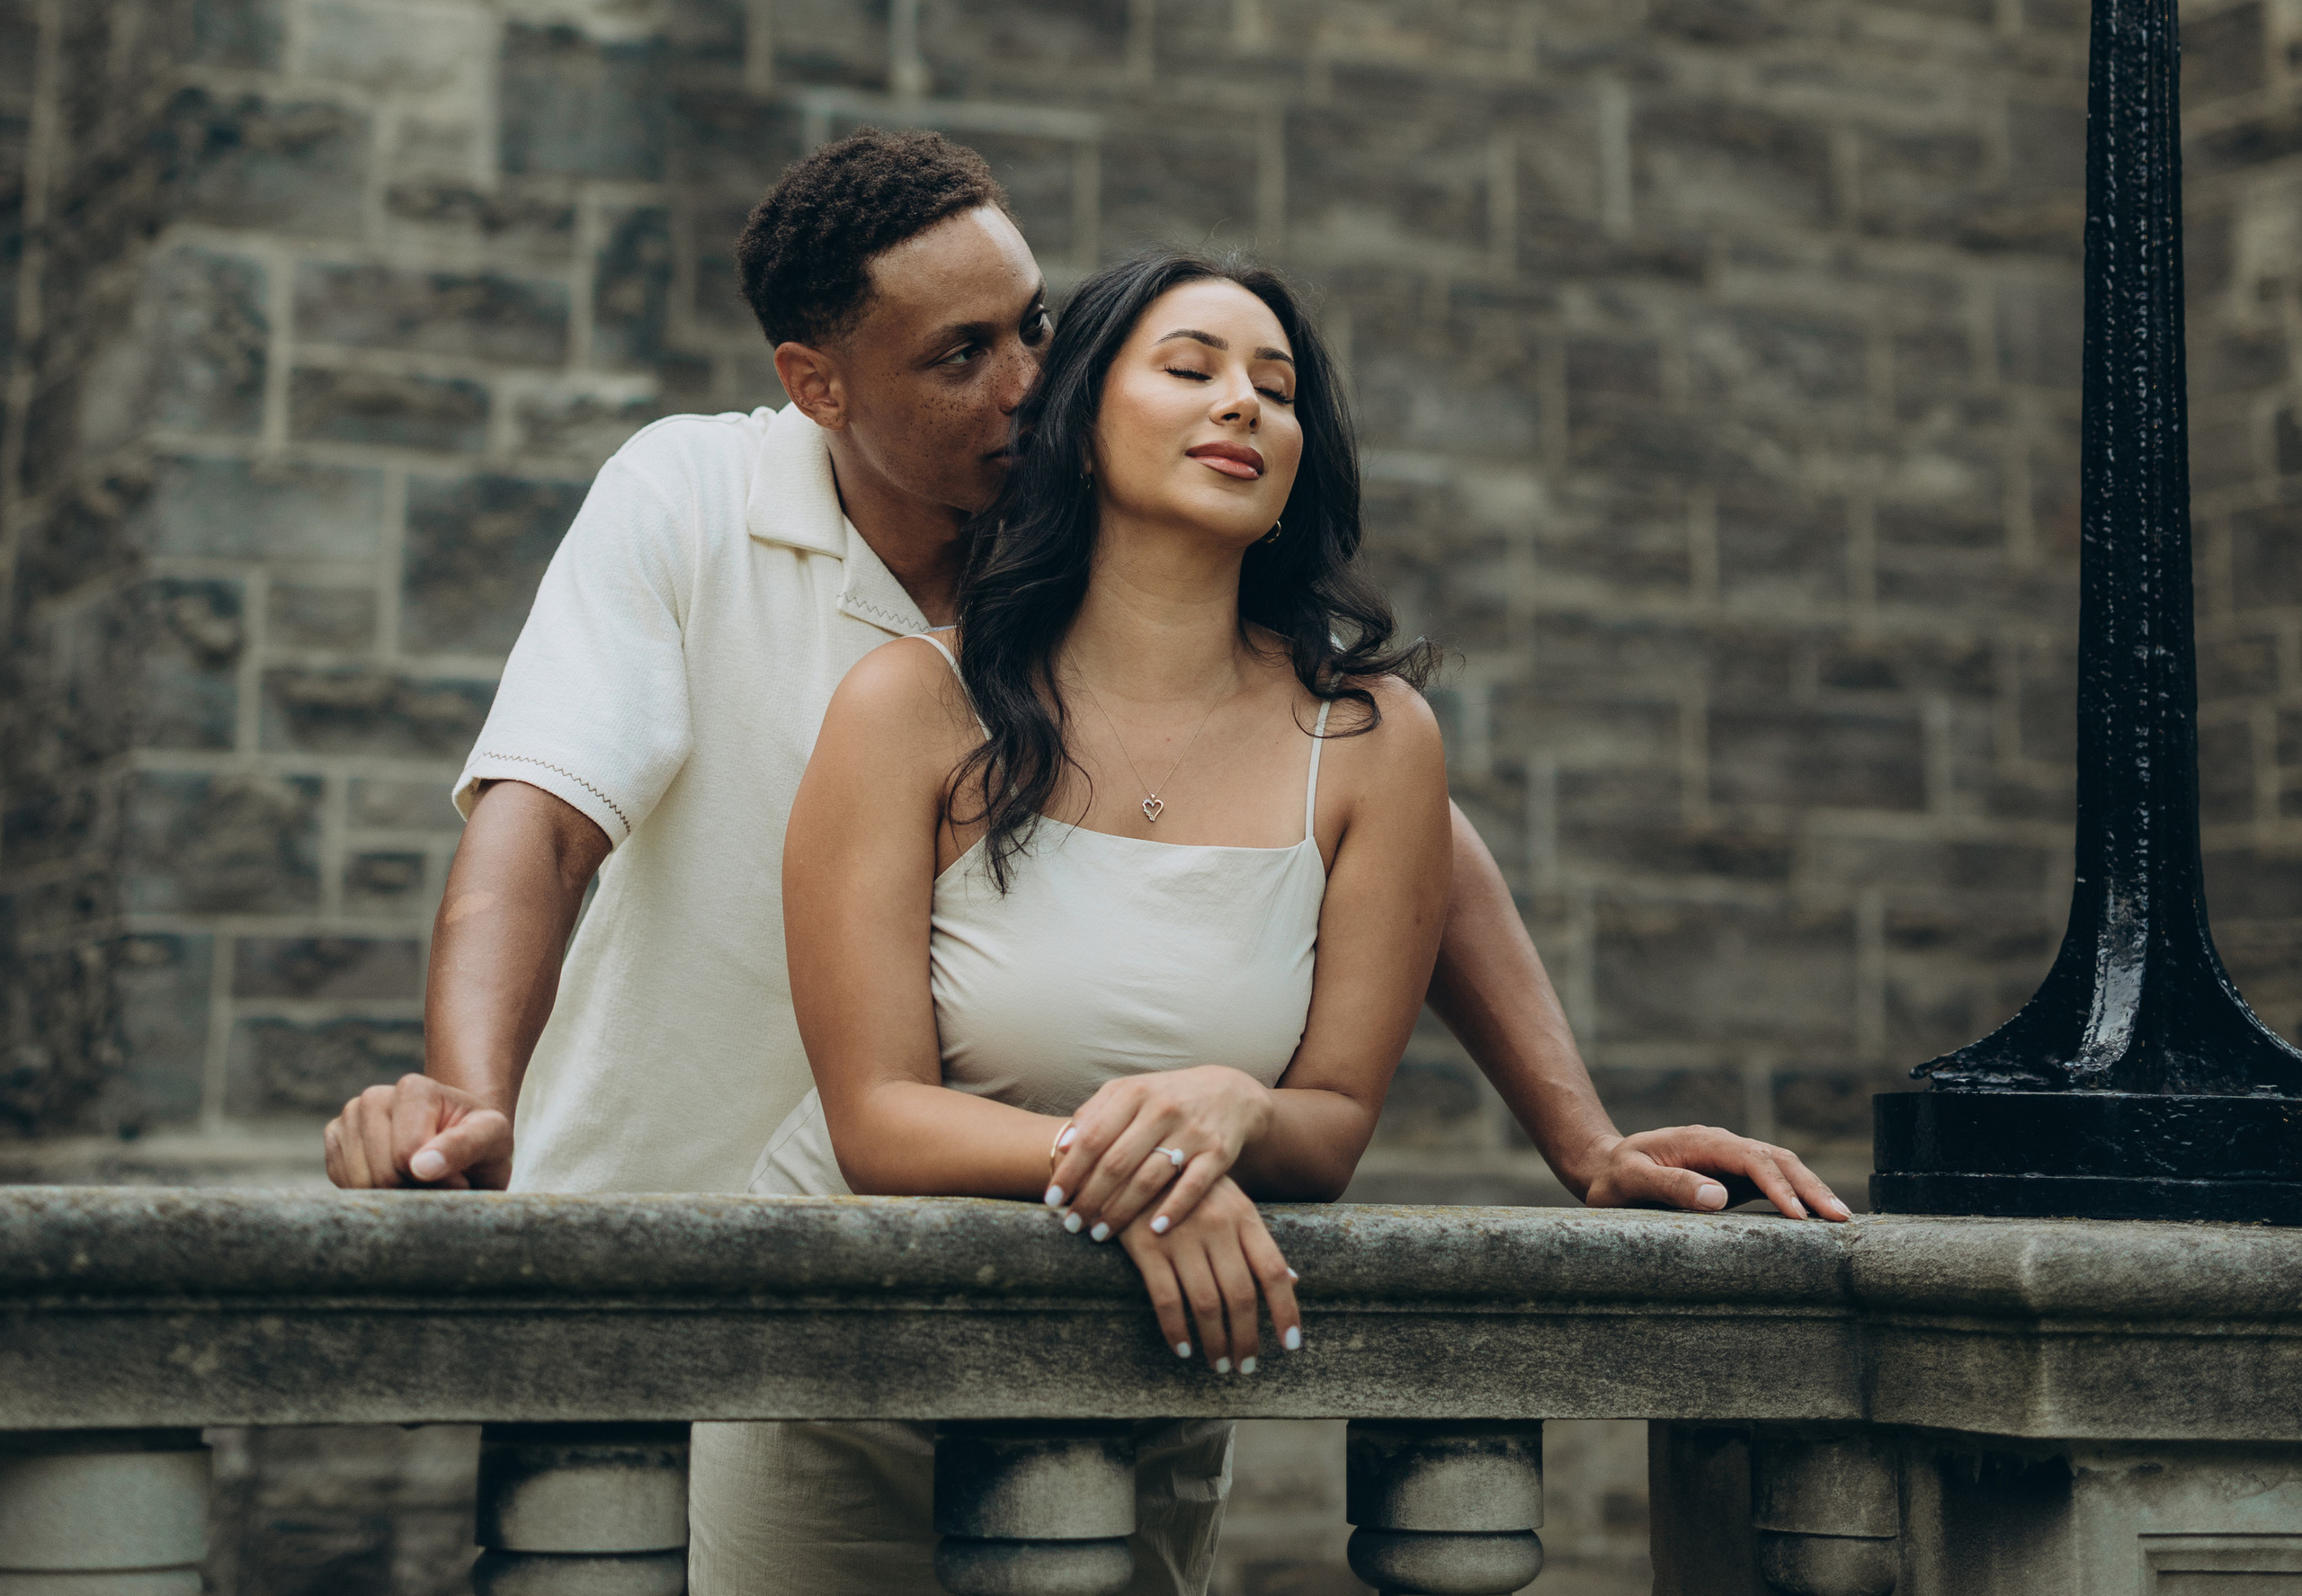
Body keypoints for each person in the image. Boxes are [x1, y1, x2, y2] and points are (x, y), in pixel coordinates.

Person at [322, 129, 1851, 1221]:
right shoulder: (688, 497)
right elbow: (543, 816)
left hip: (989, 1232)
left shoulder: (1098, 555)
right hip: (644, 1194)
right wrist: (474, 1105)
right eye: (960, 355)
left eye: (1037, 326)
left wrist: (1580, 1139)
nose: (1027, 383)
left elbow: (1390, 822)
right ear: (816, 383)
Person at [693, 247, 1452, 1592]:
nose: (1241, 406)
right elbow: (876, 1115)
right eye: (1190, 370)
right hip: (849, 1372)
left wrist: (1231, 1108)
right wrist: (1147, 1183)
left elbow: (1329, 1120)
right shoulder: (911, 704)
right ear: (1084, 429)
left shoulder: (1373, 742)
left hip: (1135, 1386)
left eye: (1275, 390)